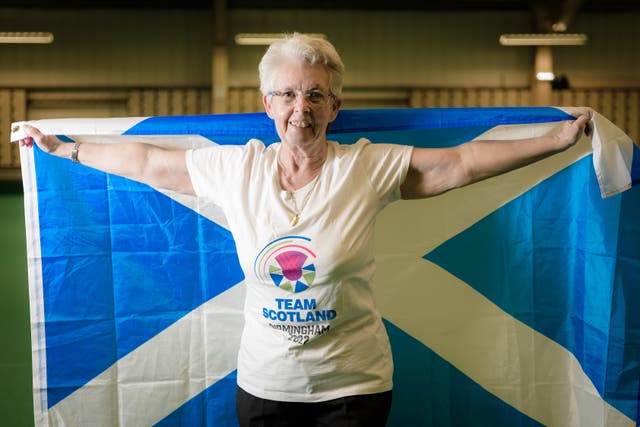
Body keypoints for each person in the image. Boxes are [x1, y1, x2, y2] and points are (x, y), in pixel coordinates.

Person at [19, 32, 591, 427]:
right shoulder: (235, 168)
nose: (302, 107)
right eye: (289, 94)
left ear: (335, 105)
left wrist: (554, 141)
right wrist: (65, 148)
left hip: (355, 390)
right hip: (265, 388)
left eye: (316, 94)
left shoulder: (366, 167)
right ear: (267, 103)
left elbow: (463, 162)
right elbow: (144, 163)